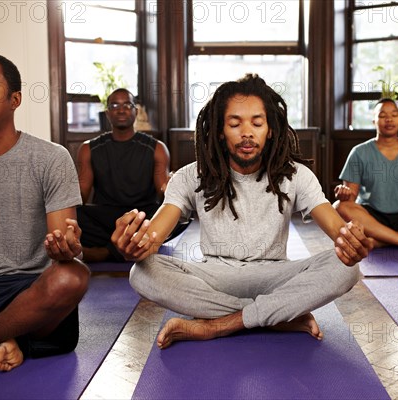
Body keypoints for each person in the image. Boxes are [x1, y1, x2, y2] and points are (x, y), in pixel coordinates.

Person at [111, 74, 373, 349]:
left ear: (270, 129)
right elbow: (154, 235)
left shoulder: (297, 176)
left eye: (257, 123)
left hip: (275, 277)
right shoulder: (191, 176)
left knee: (348, 267)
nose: (247, 132)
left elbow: (336, 229)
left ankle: (220, 324)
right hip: (214, 279)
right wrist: (136, 245)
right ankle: (275, 316)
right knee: (141, 272)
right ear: (221, 131)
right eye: (235, 124)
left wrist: (350, 242)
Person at [0, 52, 90, 371]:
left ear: (14, 99)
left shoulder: (51, 158)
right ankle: (0, 340)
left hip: (29, 291)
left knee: (72, 275)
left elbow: (63, 244)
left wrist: (66, 248)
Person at [76, 88, 179, 262]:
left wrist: (172, 187)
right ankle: (132, 246)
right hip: (106, 217)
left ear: (135, 111)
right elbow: (81, 195)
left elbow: (164, 192)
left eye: (127, 105)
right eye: (115, 105)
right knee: (73, 213)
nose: (121, 109)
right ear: (108, 112)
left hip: (142, 216)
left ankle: (106, 252)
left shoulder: (157, 148)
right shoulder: (89, 148)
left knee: (179, 215)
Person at [334, 98, 398, 249]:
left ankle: (379, 240)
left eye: (394, 114)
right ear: (374, 121)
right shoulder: (359, 152)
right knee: (340, 207)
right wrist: (344, 195)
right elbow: (350, 198)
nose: (389, 119)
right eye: (382, 115)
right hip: (372, 217)